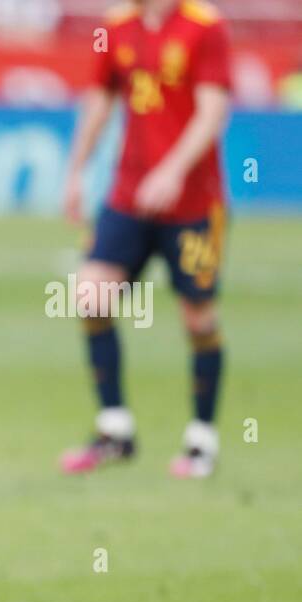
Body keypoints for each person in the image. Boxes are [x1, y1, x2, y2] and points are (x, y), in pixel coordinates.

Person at [61, 0, 232, 478]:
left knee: (198, 320)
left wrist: (174, 170)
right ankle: (115, 429)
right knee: (92, 295)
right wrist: (76, 171)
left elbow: (213, 111)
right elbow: (100, 98)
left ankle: (202, 440)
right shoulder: (116, 26)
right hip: (128, 194)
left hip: (194, 203)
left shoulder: (205, 26)